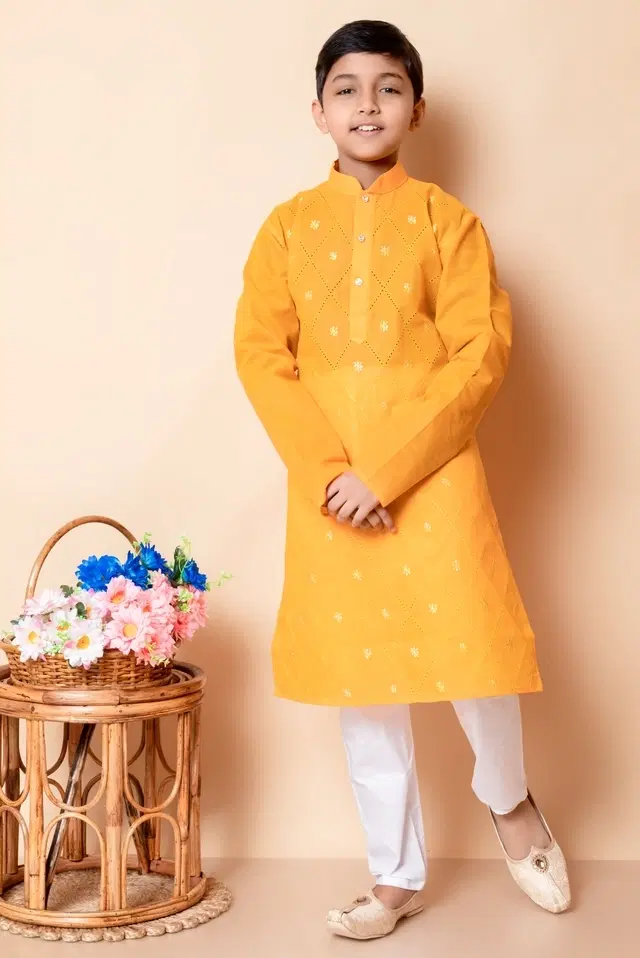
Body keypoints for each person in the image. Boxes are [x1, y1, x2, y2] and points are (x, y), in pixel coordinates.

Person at [234, 19, 571, 941]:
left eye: (388, 88)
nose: (367, 105)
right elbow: (262, 356)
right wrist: (332, 473)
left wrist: (385, 472)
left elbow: (479, 356)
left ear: (417, 110)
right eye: (346, 89)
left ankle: (511, 803)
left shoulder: (449, 223)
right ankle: (394, 876)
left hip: (433, 476)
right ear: (317, 111)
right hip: (329, 488)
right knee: (364, 682)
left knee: (474, 656)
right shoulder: (286, 228)